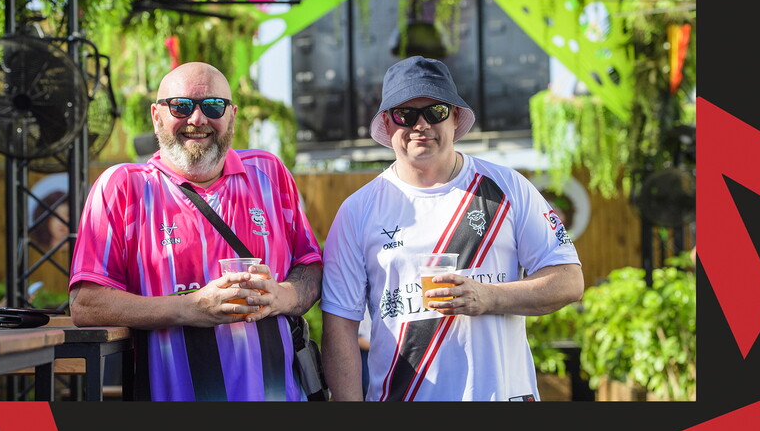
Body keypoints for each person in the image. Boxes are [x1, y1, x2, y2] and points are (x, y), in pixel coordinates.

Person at [320, 55, 584, 401]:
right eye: (406, 114)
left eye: (436, 111)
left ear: (455, 117)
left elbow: (569, 280)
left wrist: (489, 297)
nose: (421, 125)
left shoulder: (507, 187)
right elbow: (339, 327)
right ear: (387, 123)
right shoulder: (357, 210)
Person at [69, 62, 323, 401]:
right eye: (181, 105)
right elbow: (86, 304)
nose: (197, 119)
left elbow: (311, 264)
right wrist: (190, 307)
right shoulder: (122, 187)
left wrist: (282, 296)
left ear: (232, 115)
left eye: (213, 106)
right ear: (156, 115)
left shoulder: (269, 173)